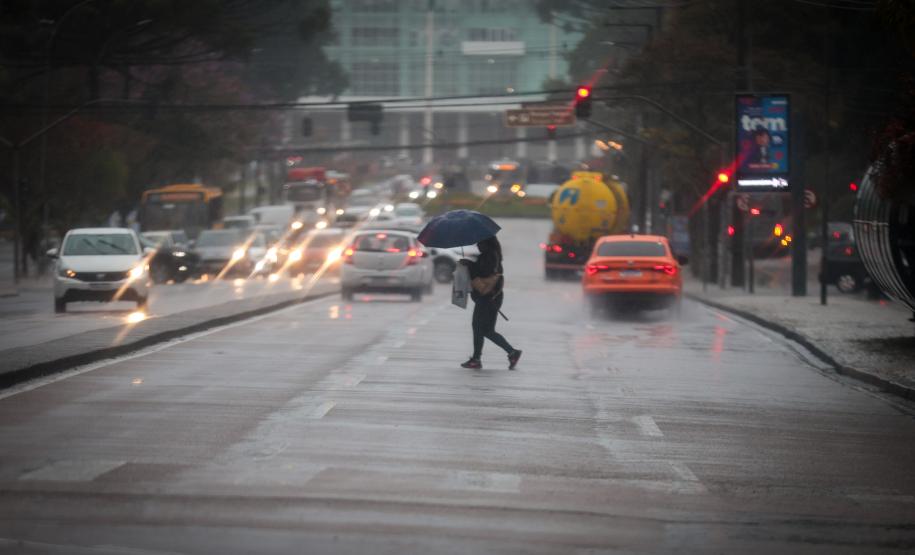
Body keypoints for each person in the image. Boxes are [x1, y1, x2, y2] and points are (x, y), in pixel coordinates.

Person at [459, 236, 522, 370]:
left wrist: (469, 265)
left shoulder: (490, 256)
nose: (477, 245)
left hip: (488, 297)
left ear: (487, 243)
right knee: (487, 330)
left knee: (478, 327)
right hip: (491, 297)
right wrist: (470, 263)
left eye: (480, 242)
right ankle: (512, 352)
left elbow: (484, 273)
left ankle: (476, 359)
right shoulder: (492, 255)